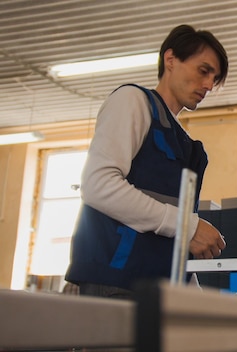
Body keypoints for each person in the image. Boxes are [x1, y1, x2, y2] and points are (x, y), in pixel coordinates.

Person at [65, 24, 228, 299]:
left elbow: (170, 231)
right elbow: (98, 185)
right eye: (204, 71)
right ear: (171, 60)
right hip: (117, 283)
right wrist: (187, 226)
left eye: (215, 78)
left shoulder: (184, 144)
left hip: (158, 291)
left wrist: (197, 298)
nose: (209, 85)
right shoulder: (133, 101)